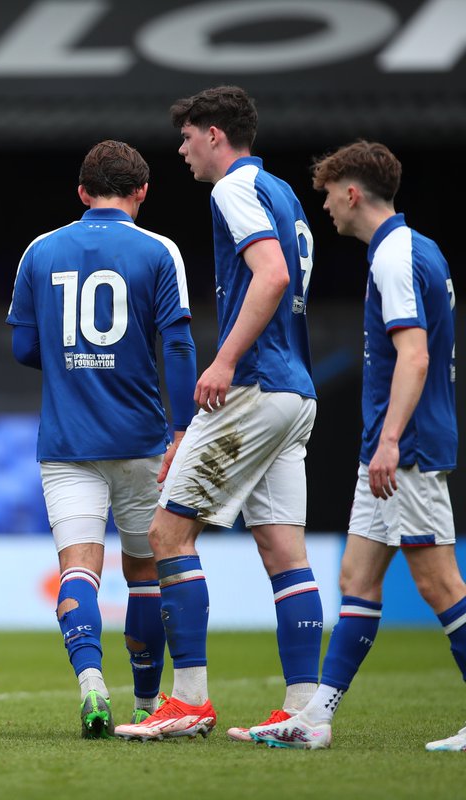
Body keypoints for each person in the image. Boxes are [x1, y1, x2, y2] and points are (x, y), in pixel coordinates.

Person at [115, 86, 324, 741]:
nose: (181, 150)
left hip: (256, 387)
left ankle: (189, 702)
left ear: (213, 135)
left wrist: (225, 358)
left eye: (186, 137)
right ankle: (302, 708)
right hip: (296, 393)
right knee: (284, 550)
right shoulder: (283, 193)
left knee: (167, 537)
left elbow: (271, 276)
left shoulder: (233, 190)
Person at [249, 141, 466, 751]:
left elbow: (415, 356)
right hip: (391, 447)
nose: (324, 207)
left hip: (408, 447)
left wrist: (392, 439)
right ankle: (316, 720)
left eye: (326, 194)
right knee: (357, 577)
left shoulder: (394, 257)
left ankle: (315, 717)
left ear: (352, 192)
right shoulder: (419, 248)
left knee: (440, 585)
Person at [7, 140, 196, 738]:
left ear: (83, 192)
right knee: (146, 574)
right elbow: (180, 345)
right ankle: (145, 706)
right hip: (142, 439)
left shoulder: (39, 250)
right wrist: (184, 426)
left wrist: (72, 362)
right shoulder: (159, 251)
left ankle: (91, 685)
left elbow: (22, 347)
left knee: (79, 570)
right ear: (142, 192)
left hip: (67, 441)